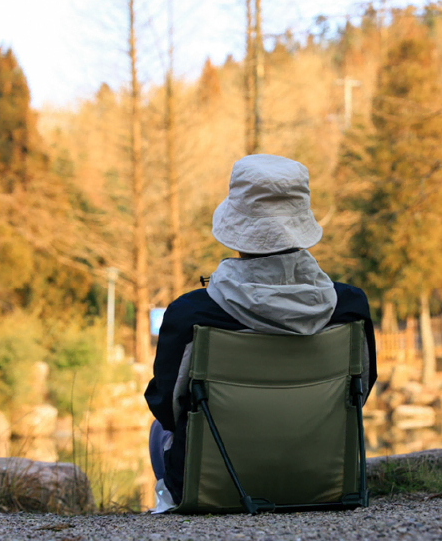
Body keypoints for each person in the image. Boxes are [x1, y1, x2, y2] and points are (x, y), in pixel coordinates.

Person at [144, 153, 377, 513]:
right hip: (324, 482)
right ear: (301, 225)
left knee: (158, 433)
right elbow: (358, 394)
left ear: (238, 229)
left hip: (213, 486)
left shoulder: (191, 315)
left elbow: (166, 407)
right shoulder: (349, 309)